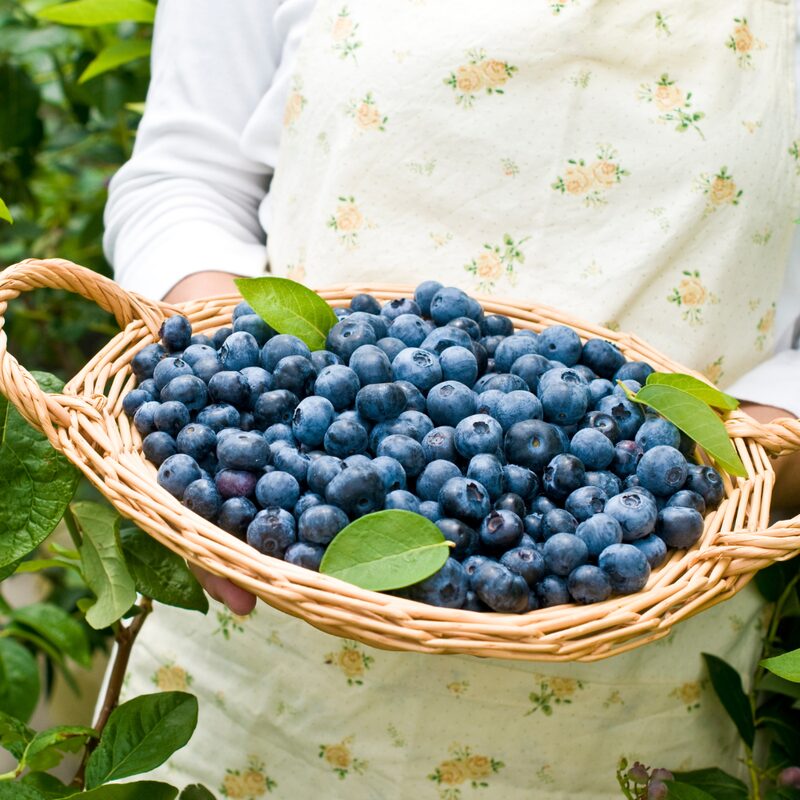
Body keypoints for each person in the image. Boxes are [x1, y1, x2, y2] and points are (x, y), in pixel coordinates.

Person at [104, 1, 800, 796]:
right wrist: (207, 388)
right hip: (263, 635)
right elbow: (187, 174)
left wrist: (747, 467)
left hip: (645, 643)